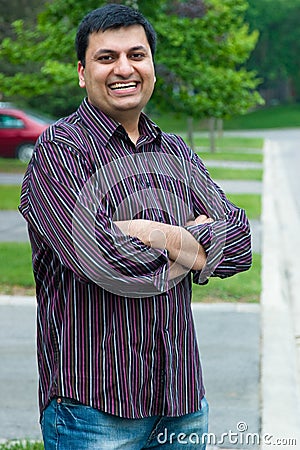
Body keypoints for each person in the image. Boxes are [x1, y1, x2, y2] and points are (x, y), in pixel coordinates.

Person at [19, 4, 252, 449]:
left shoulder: (177, 151)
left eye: (136, 55)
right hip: (93, 408)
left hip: (182, 401)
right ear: (83, 73)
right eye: (106, 58)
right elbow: (107, 259)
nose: (124, 68)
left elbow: (238, 245)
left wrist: (147, 231)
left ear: (152, 68)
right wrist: (190, 237)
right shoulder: (60, 152)